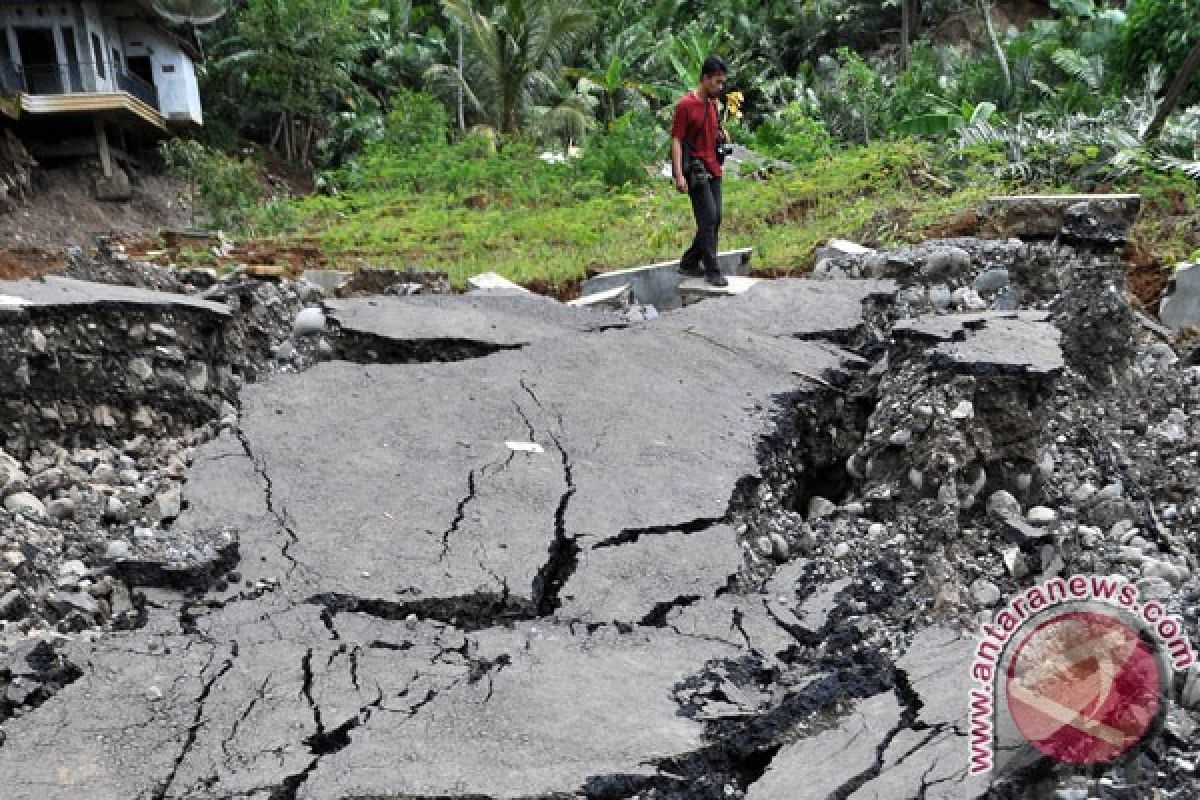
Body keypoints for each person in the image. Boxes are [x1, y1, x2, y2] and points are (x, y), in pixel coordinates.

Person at [671, 55, 731, 287]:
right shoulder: (685, 105)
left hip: (714, 167)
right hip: (695, 170)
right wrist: (678, 175)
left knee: (716, 219)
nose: (720, 87)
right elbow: (676, 140)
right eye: (717, 82)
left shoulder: (713, 105)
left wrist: (722, 136)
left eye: (722, 82)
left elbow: (713, 131)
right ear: (705, 79)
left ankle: (689, 262)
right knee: (708, 218)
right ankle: (712, 270)